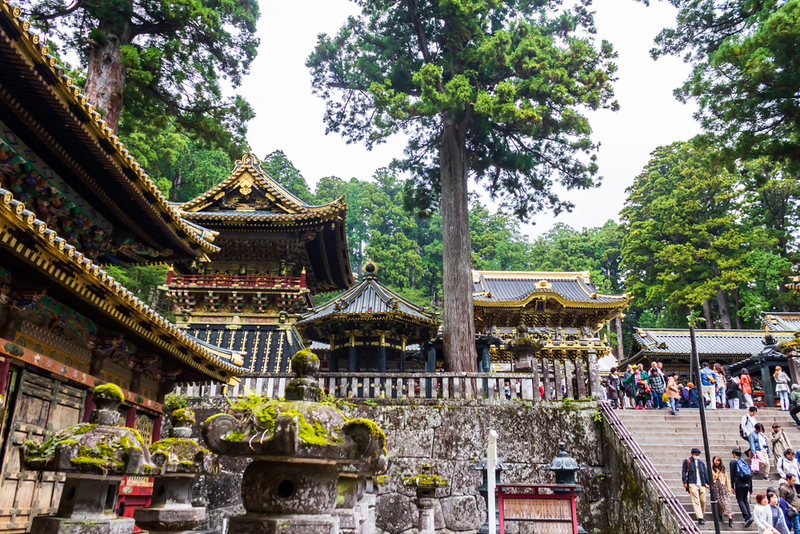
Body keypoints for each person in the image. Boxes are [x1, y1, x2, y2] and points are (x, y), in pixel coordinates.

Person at [682, 447, 710, 525]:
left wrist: (708, 483)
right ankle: (700, 517)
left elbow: (706, 473)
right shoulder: (687, 461)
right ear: (692, 454)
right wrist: (684, 481)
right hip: (692, 482)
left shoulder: (701, 463)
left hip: (702, 483)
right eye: (696, 454)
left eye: (698, 454)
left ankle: (702, 515)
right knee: (696, 500)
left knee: (703, 501)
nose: (697, 456)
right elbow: (684, 471)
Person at [731, 449, 754, 528]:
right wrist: (751, 488)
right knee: (745, 500)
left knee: (740, 500)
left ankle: (747, 517)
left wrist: (732, 486)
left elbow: (732, 475)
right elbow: (750, 476)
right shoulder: (744, 462)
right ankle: (749, 515)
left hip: (739, 484)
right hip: (747, 483)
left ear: (734, 454)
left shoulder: (733, 462)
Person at [712, 455, 735, 528]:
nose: (717, 462)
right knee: (718, 503)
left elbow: (726, 479)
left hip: (723, 487)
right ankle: (720, 515)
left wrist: (729, 489)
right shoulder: (711, 469)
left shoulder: (723, 469)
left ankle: (730, 519)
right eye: (716, 460)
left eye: (718, 461)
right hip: (716, 487)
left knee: (727, 503)